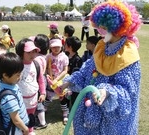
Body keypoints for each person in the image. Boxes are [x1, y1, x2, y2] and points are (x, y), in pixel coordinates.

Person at [60, 1, 142, 134]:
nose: (99, 30)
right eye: (98, 26)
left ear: (117, 28)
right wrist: (68, 82)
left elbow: (128, 93)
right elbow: (86, 72)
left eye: (103, 27)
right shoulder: (102, 47)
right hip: (88, 118)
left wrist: (107, 92)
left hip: (111, 124)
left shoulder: (128, 55)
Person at [15, 38, 46, 135]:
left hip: (33, 99)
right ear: (21, 52)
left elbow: (41, 79)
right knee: (19, 119)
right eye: (29, 52)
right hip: (19, 100)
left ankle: (30, 131)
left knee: (30, 117)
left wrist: (43, 92)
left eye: (34, 51)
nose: (32, 55)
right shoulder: (16, 65)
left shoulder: (36, 64)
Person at [0, 52, 29, 135]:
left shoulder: (10, 85)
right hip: (14, 130)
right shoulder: (8, 97)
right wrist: (25, 129)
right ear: (6, 75)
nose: (20, 77)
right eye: (18, 75)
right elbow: (16, 120)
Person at [44, 38, 69, 125]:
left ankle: (65, 113)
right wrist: (47, 74)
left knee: (62, 97)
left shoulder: (64, 57)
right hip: (50, 81)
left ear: (61, 47)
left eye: (58, 47)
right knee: (48, 95)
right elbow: (46, 68)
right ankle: (44, 109)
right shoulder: (48, 56)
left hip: (60, 81)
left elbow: (65, 70)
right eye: (53, 47)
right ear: (50, 48)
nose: (56, 49)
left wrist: (57, 79)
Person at [33, 34, 49, 129]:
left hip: (39, 81)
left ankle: (42, 122)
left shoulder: (37, 58)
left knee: (38, 102)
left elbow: (36, 72)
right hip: (42, 80)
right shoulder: (43, 56)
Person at [64, 36, 82, 107]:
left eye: (66, 44)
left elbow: (77, 73)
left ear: (70, 47)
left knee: (72, 98)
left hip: (72, 83)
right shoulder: (65, 55)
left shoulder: (77, 60)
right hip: (64, 81)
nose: (64, 45)